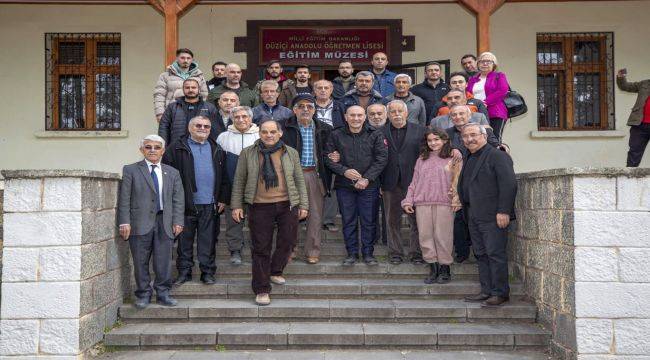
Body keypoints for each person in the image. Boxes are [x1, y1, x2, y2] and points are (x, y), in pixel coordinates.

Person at [231, 120, 309, 306]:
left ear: (280, 133)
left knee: (289, 242)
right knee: (260, 248)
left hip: (287, 204)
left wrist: (303, 204)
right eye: (265, 132)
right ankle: (262, 288)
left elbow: (299, 179)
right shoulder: (248, 153)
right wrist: (236, 205)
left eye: (273, 131)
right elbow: (239, 180)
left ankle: (275, 270)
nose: (269, 135)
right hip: (259, 206)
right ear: (259, 133)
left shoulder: (290, 153)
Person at [118, 135, 184, 309]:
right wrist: (124, 222)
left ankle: (163, 293)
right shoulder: (131, 170)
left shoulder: (172, 172)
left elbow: (178, 199)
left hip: (165, 221)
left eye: (157, 147)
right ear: (142, 150)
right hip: (139, 222)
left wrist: (178, 221)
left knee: (163, 261)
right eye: (148, 147)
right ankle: (143, 294)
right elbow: (124, 198)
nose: (153, 150)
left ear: (163, 150)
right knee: (140, 261)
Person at [162, 116, 229, 285]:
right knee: (184, 242)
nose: (203, 128)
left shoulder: (217, 149)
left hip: (210, 204)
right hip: (185, 204)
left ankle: (207, 272)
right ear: (190, 128)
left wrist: (222, 198)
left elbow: (225, 178)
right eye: (198, 125)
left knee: (208, 241)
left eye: (206, 126)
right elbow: (167, 177)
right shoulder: (176, 148)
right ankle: (184, 273)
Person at [459, 123, 517, 307]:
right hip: (474, 214)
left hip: (493, 215)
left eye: (474, 135)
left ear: (484, 136)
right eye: (466, 136)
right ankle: (486, 290)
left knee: (495, 254)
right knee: (481, 254)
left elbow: (509, 184)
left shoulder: (497, 155)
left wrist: (504, 211)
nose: (470, 139)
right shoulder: (470, 156)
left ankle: (500, 293)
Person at [325, 105, 388, 266]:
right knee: (348, 220)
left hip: (369, 186)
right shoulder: (336, 134)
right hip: (344, 186)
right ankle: (352, 253)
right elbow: (327, 158)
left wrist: (366, 178)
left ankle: (368, 253)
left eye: (359, 115)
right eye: (352, 115)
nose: (356, 119)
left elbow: (381, 158)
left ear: (365, 117)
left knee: (369, 220)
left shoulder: (375, 134)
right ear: (346, 117)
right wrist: (344, 171)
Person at [402, 128, 461, 284]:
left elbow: (458, 179)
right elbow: (414, 182)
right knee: (425, 236)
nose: (433, 143)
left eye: (436, 139)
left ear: (445, 140)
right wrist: (408, 200)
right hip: (422, 203)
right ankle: (433, 268)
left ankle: (445, 268)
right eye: (430, 140)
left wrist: (457, 198)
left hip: (445, 202)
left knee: (443, 236)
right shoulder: (422, 158)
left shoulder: (454, 156)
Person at [281, 94, 333, 264]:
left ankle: (312, 251)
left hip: (313, 175)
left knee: (315, 216)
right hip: (290, 176)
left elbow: (328, 153)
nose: (305, 109)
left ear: (315, 110)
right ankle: (289, 249)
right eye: (301, 106)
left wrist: (335, 156)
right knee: (290, 215)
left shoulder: (324, 128)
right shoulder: (284, 128)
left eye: (309, 106)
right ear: (294, 110)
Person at [446, 105, 500, 264]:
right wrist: (451, 148)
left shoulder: (483, 130)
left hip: (480, 180)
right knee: (458, 219)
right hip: (456, 179)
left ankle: (480, 252)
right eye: (454, 114)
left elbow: (496, 145)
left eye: (461, 113)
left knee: (475, 218)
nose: (458, 117)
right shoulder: (447, 134)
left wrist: (503, 148)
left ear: (470, 115)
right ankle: (462, 253)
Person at [380, 100, 426, 265]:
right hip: (389, 183)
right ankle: (395, 253)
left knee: (417, 221)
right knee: (392, 221)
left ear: (407, 113)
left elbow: (427, 156)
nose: (397, 114)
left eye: (400, 111)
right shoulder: (380, 132)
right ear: (388, 114)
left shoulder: (421, 131)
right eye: (393, 111)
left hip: (414, 182)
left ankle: (416, 253)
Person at [216, 106, 260, 265]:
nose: (241, 120)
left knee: (257, 221)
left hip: (256, 188)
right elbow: (219, 165)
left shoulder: (260, 135)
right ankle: (235, 250)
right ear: (232, 119)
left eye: (244, 117)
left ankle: (258, 249)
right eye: (237, 117)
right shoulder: (223, 137)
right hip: (232, 186)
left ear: (250, 118)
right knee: (233, 221)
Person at [154, 48, 208, 122]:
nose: (185, 60)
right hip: (172, 114)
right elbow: (159, 95)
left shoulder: (199, 76)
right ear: (177, 58)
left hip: (195, 113)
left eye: (188, 58)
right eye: (182, 58)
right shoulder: (165, 75)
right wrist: (160, 113)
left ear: (192, 59)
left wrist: (203, 113)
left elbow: (204, 95)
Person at [158, 78, 219, 145]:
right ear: (183, 89)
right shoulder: (172, 107)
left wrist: (212, 147)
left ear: (199, 89)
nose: (190, 90)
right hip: (177, 147)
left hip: (202, 146)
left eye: (193, 87)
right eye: (187, 88)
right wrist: (163, 146)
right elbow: (164, 127)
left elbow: (215, 129)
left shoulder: (209, 107)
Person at [467, 52, 510, 141]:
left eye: (489, 61)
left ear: (494, 65)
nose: (485, 63)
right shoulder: (472, 79)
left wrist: (485, 102)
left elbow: (502, 90)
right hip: (475, 113)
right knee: (477, 139)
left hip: (495, 112)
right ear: (478, 64)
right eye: (482, 61)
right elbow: (467, 93)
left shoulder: (499, 76)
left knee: (493, 139)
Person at [616, 69, 650, 167]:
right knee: (634, 154)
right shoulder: (644, 84)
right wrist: (621, 77)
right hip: (640, 125)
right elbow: (625, 86)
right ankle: (629, 179)